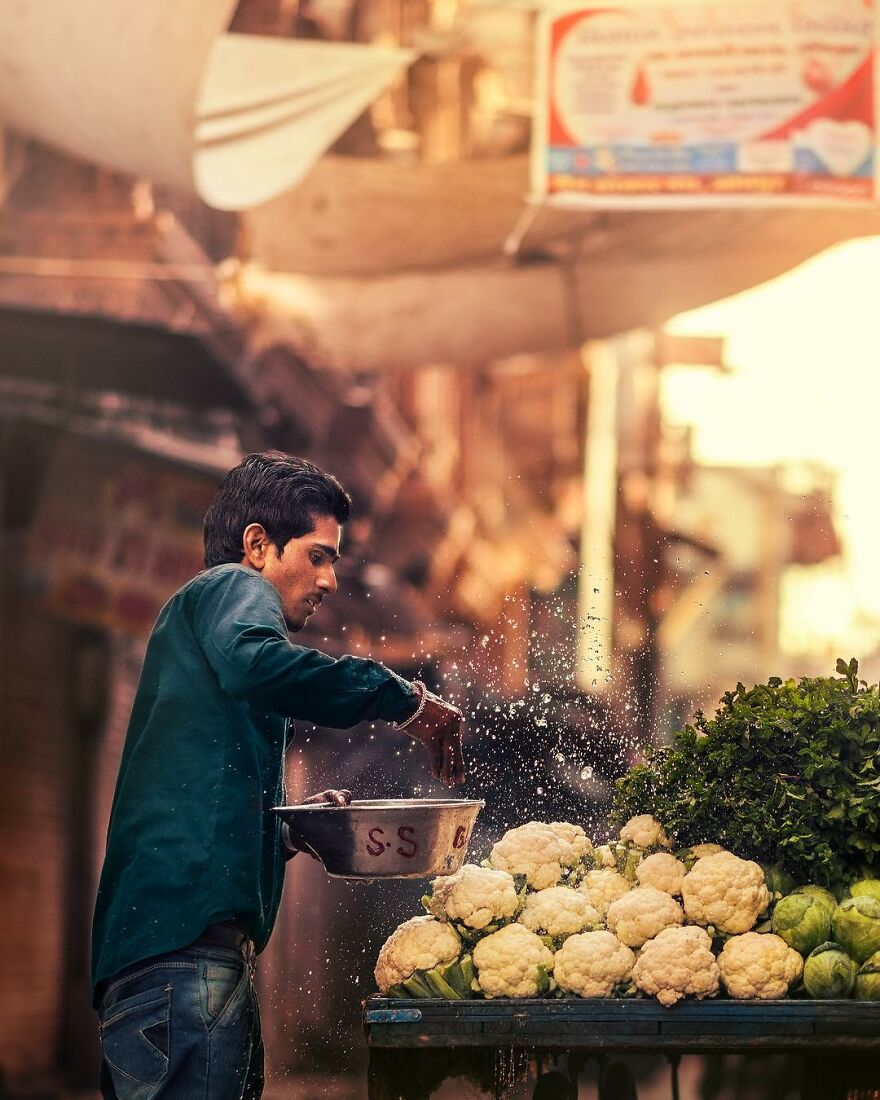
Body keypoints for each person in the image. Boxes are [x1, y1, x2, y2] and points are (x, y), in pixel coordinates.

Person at [91, 451, 465, 1099]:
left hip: (181, 963)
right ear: (259, 546)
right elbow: (259, 665)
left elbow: (205, 801)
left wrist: (290, 827)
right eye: (318, 555)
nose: (328, 580)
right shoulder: (233, 589)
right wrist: (403, 699)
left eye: (334, 562)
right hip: (183, 962)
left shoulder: (210, 646)